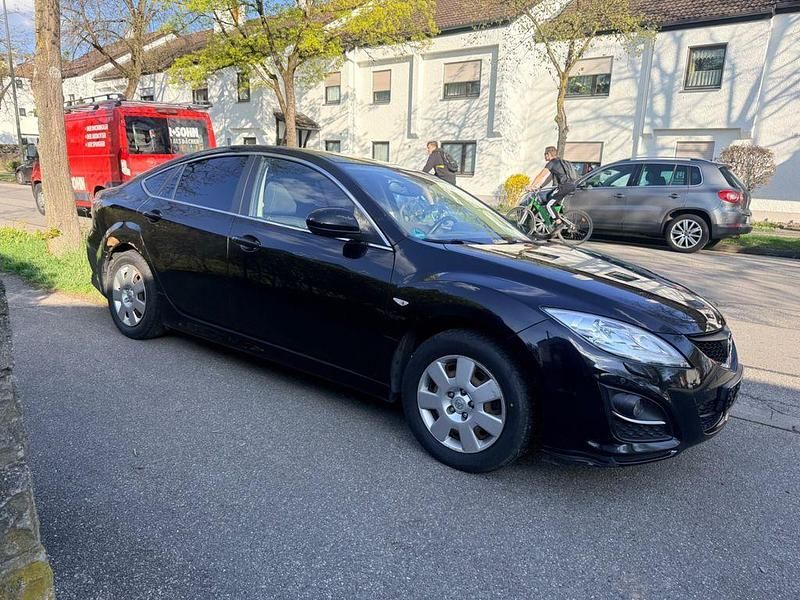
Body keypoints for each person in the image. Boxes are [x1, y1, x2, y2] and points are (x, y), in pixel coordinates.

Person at [526, 146, 577, 226]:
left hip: (564, 187)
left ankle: (559, 224)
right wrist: (540, 186)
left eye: (545, 154)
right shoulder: (559, 162)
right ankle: (554, 218)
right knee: (549, 196)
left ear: (548, 154)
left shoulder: (552, 163)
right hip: (570, 186)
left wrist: (531, 186)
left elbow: (541, 175)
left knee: (549, 205)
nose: (544, 156)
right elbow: (549, 179)